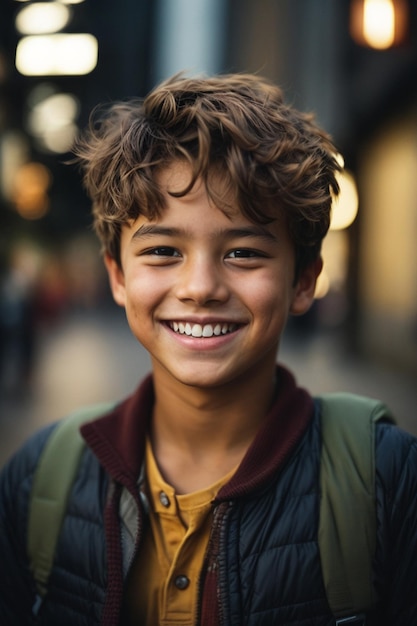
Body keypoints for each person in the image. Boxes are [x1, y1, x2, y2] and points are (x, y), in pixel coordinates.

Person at [1, 72, 416, 626]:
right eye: (163, 250)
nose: (200, 287)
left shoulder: (389, 484)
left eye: (244, 253)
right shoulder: (37, 481)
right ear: (118, 276)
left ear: (303, 281)